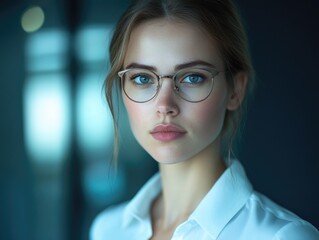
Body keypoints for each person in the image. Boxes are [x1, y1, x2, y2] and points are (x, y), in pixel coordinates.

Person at [90, 0, 319, 239]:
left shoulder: (280, 235)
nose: (165, 106)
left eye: (192, 78)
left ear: (235, 90)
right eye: (143, 79)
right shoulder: (108, 229)